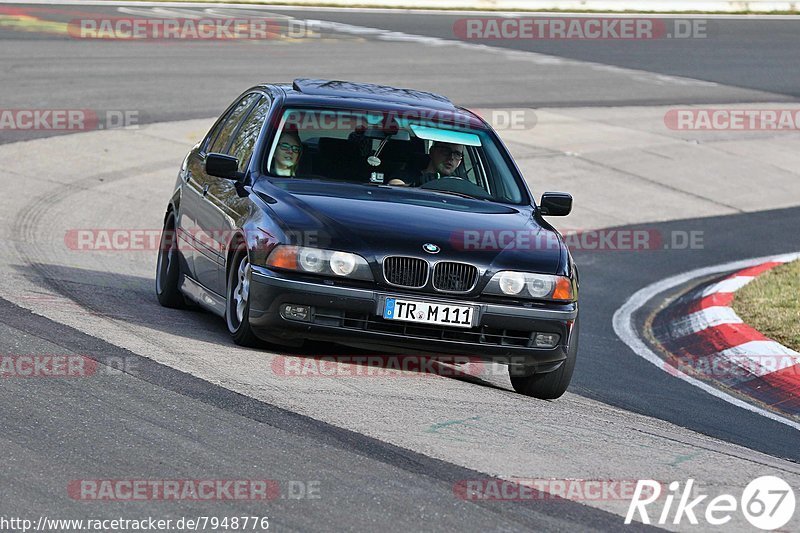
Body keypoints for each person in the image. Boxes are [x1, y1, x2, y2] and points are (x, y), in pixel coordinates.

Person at [387, 141, 464, 187]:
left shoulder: (460, 184)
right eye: (446, 151)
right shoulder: (408, 175)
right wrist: (418, 184)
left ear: (459, 162)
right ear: (432, 152)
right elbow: (395, 187)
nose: (451, 157)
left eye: (457, 154)